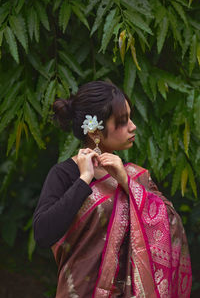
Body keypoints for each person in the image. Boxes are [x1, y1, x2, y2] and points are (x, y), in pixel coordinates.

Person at [33, 81, 192, 297]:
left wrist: (126, 183)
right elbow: (43, 234)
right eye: (122, 121)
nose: (133, 126)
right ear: (95, 132)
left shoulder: (133, 176)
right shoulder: (64, 175)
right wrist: (84, 179)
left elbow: (171, 223)